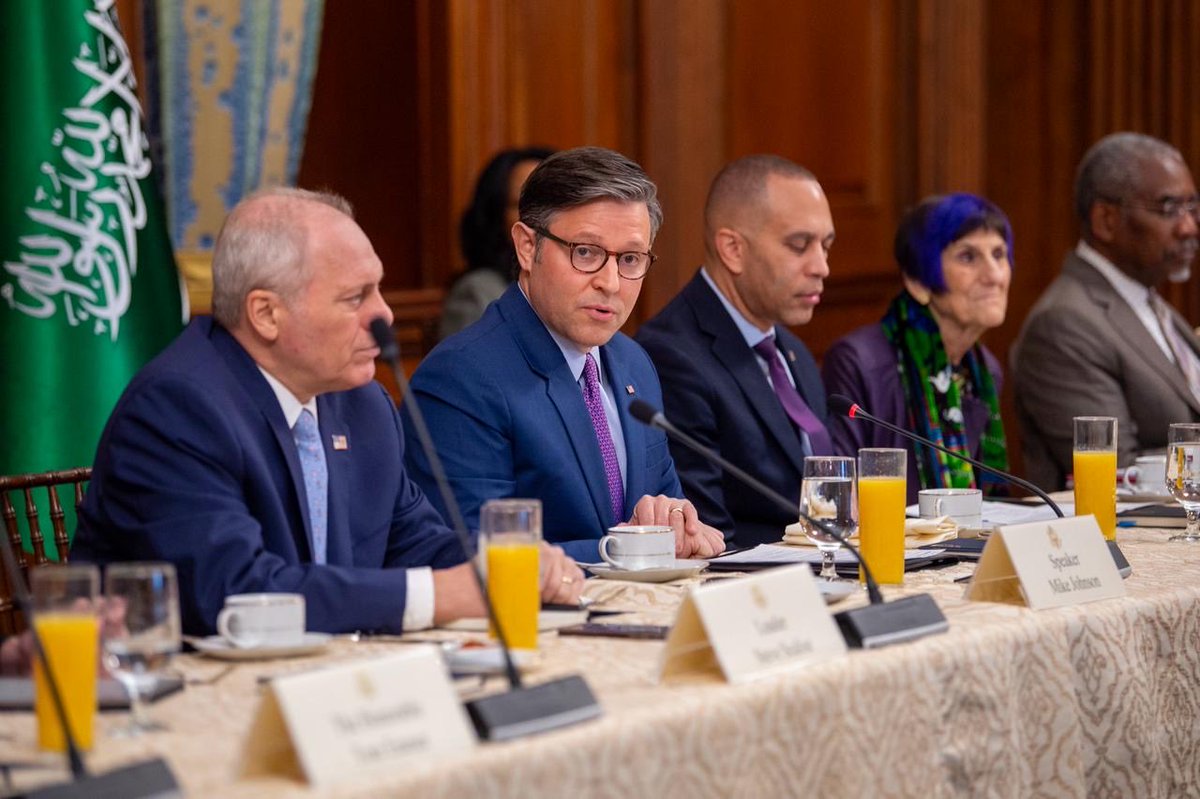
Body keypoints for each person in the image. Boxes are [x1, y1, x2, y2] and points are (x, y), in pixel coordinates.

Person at [72, 188, 583, 636]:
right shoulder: (178, 408)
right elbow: (236, 593)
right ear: (266, 314)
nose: (383, 313)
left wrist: (507, 567)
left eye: (379, 288)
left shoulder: (360, 402)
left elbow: (416, 543)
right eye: (355, 297)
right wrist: (444, 595)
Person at [404, 147, 726, 562]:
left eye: (630, 259)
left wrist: (683, 528)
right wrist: (634, 548)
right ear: (526, 247)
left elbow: (665, 516)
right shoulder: (461, 378)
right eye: (586, 253)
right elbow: (469, 556)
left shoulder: (634, 364)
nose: (610, 282)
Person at [636, 155, 835, 548]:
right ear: (732, 249)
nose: (822, 267)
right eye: (800, 245)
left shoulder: (789, 349)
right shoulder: (673, 355)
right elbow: (708, 534)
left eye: (826, 245)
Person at [1012, 132, 1200, 489]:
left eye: (1193, 207)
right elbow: (1117, 472)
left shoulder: (1150, 302)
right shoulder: (1065, 323)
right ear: (1106, 221)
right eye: (1169, 208)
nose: (1189, 226)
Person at [824, 193, 1013, 504]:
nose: (994, 275)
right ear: (918, 282)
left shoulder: (984, 370)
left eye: (999, 254)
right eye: (968, 257)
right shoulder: (857, 362)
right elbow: (840, 499)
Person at [439, 146, 555, 340]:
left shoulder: (578, 285)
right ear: (495, 215)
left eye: (554, 204)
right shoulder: (476, 292)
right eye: (526, 206)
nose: (543, 217)